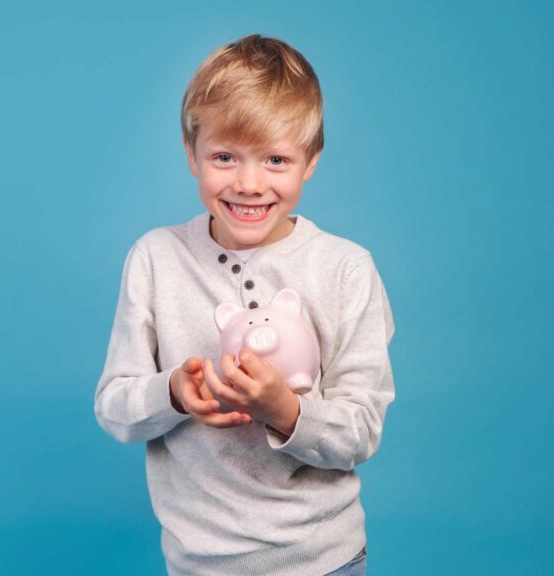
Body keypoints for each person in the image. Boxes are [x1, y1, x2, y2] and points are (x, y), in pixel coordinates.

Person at [94, 33, 395, 576]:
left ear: (311, 162)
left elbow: (361, 429)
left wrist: (284, 409)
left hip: (322, 561)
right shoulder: (156, 258)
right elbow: (114, 407)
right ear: (191, 153)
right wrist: (175, 393)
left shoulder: (346, 269)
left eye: (276, 159)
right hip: (199, 563)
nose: (249, 183)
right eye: (225, 157)